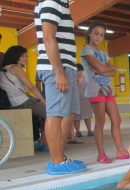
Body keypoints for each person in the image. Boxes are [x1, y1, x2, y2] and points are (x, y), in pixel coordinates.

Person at [35, 0, 86, 175]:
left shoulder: (62, 4)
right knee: (55, 113)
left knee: (70, 112)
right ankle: (56, 162)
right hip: (56, 67)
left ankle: (60, 156)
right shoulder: (51, 1)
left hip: (67, 67)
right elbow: (48, 37)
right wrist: (59, 72)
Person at [81, 21, 129, 164]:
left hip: (108, 90)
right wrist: (104, 68)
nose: (98, 37)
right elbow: (102, 69)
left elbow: (112, 71)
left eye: (101, 35)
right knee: (100, 121)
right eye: (96, 33)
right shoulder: (87, 50)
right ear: (89, 33)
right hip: (95, 89)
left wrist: (104, 68)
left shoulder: (103, 53)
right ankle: (101, 154)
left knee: (117, 119)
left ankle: (120, 150)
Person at [0, 46, 47, 149]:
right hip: (23, 102)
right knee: (50, 113)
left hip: (12, 104)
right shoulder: (16, 68)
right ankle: (45, 142)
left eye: (26, 56)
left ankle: (39, 141)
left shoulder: (4, 69)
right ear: (16, 57)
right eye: (23, 56)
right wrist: (44, 101)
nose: (26, 58)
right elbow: (31, 87)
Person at [74, 64, 94, 137]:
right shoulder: (72, 78)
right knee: (76, 117)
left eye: (79, 71)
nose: (78, 72)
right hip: (75, 100)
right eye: (76, 71)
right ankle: (78, 131)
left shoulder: (86, 78)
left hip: (86, 100)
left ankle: (89, 130)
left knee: (87, 116)